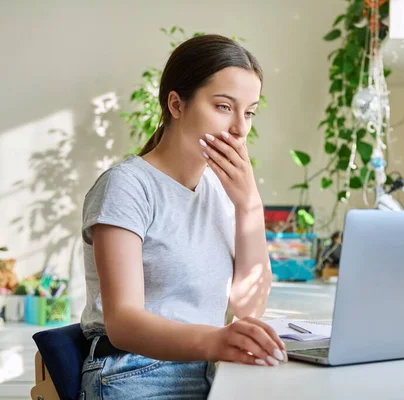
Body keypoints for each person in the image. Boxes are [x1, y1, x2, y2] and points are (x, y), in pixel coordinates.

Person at [79, 34, 287, 400]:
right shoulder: (126, 186)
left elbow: (248, 306)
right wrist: (217, 341)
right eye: (224, 106)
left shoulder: (223, 191)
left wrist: (250, 206)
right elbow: (123, 324)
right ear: (176, 104)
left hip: (211, 368)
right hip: (133, 370)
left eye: (250, 111)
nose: (240, 128)